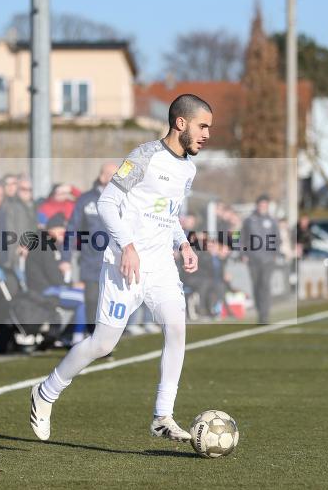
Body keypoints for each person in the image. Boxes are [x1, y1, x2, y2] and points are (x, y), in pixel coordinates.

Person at [30, 93, 211, 443]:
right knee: (102, 344)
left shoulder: (188, 168)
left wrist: (183, 243)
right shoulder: (144, 157)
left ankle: (162, 416)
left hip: (160, 267)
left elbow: (169, 212)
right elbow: (107, 202)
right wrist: (127, 246)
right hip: (124, 266)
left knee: (176, 329)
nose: (206, 134)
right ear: (181, 123)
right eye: (203, 126)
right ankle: (46, 392)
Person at [61, 162, 118, 333]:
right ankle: (93, 339)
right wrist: (65, 259)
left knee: (110, 304)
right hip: (91, 263)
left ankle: (106, 340)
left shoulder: (125, 199)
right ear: (102, 176)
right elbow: (71, 230)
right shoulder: (86, 200)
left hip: (116, 262)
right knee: (93, 301)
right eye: (111, 174)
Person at [24, 213, 86, 345]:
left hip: (48, 287)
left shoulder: (45, 243)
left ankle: (68, 335)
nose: (63, 234)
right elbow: (52, 275)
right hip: (44, 290)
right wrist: (72, 285)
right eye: (60, 231)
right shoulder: (44, 245)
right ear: (51, 230)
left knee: (86, 297)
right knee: (83, 300)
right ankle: (76, 338)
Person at [241, 194, 280, 324]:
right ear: (257, 205)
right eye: (260, 204)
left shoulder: (272, 221)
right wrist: (243, 254)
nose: (262, 207)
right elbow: (242, 239)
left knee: (265, 285)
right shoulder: (249, 220)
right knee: (256, 286)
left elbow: (277, 239)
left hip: (268, 260)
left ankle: (265, 315)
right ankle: (259, 312)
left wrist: (275, 254)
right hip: (253, 259)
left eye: (265, 205)